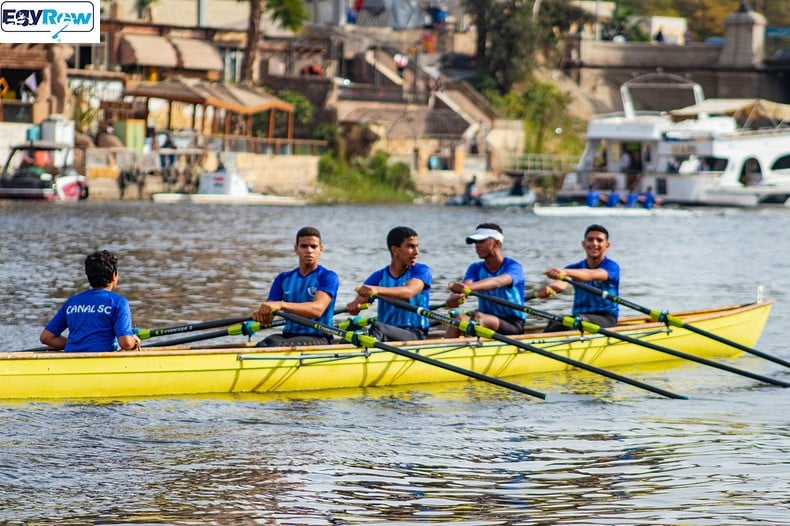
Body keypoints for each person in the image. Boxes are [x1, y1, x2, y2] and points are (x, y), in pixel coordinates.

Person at [252, 227, 339, 346]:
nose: (309, 250)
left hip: (319, 337)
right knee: (264, 344)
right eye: (304, 246)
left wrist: (281, 305)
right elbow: (269, 317)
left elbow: (317, 309)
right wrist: (262, 315)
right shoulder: (283, 278)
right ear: (296, 249)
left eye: (313, 246)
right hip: (288, 335)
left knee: (274, 346)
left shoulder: (327, 276)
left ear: (321, 250)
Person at [40, 250, 140, 352]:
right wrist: (135, 341)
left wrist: (75, 343)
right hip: (102, 362)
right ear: (114, 276)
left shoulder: (73, 301)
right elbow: (126, 343)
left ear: (88, 276)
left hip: (70, 361)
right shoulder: (118, 302)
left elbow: (46, 337)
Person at [346, 226, 431, 341]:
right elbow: (359, 304)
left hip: (414, 333)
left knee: (377, 327)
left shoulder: (421, 271)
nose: (416, 252)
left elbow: (408, 292)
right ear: (395, 250)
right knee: (352, 328)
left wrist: (377, 290)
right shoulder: (379, 277)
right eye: (411, 246)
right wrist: (354, 306)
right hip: (386, 333)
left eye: (417, 246)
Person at [444, 223, 526, 338]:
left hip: (512, 324)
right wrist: (456, 297)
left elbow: (497, 282)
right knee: (457, 318)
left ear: (497, 243)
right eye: (476, 242)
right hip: (485, 319)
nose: (477, 246)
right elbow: (466, 287)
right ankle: (446, 350)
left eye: (481, 241)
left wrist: (467, 289)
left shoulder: (513, 266)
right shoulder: (475, 268)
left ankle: (470, 350)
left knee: (478, 317)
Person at [536, 224, 620, 332]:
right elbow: (560, 285)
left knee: (574, 321)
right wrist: (549, 289)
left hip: (606, 318)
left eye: (599, 240)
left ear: (607, 245)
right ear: (584, 244)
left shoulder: (611, 267)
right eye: (590, 240)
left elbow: (590, 275)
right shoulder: (573, 268)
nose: (594, 243)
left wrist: (565, 272)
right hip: (579, 317)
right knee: (555, 320)